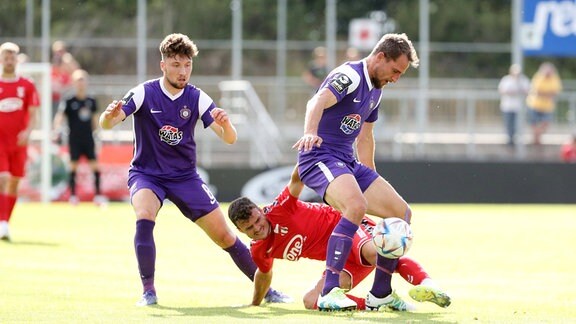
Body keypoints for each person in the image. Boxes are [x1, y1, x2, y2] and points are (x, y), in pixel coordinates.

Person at [98, 33, 290, 306]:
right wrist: (108, 116)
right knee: (144, 214)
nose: (183, 71)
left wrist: (227, 124)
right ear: (163, 65)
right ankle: (148, 292)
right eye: (176, 65)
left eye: (187, 65)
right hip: (147, 174)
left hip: (185, 177)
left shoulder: (197, 97)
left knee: (225, 236)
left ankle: (268, 292)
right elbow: (108, 124)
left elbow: (230, 138)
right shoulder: (144, 92)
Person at [292, 33, 420, 311]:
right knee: (355, 206)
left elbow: (365, 137)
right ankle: (329, 292)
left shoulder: (377, 89)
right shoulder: (350, 76)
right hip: (319, 157)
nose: (396, 78)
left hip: (347, 162)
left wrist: (371, 178)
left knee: (401, 214)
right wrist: (310, 133)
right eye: (396, 70)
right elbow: (316, 102)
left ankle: (381, 293)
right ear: (380, 57)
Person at [228, 167, 451, 311]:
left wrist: (309, 150)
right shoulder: (259, 249)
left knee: (375, 253)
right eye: (250, 228)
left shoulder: (279, 208)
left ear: (260, 209)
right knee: (311, 301)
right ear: (241, 230)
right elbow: (263, 273)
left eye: (258, 219)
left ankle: (428, 285)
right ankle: (378, 306)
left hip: (348, 228)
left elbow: (296, 179)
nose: (258, 227)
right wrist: (255, 303)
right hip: (339, 264)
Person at [0, 42, 40, 241]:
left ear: (17, 59)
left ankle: (5, 222)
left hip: (19, 143)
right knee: (3, 178)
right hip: (0, 142)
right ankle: (2, 223)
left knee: (14, 183)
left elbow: (33, 114)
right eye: (6, 57)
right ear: (1, 60)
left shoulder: (27, 85)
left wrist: (28, 132)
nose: (9, 61)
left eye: (12, 57)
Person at [52, 69, 106, 205]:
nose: (80, 83)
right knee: (73, 167)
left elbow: (95, 120)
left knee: (95, 167)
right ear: (74, 83)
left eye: (82, 80)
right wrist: (56, 130)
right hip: (74, 139)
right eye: (78, 80)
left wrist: (98, 136)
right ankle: (73, 197)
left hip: (88, 139)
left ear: (86, 82)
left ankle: (98, 196)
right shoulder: (69, 101)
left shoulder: (91, 100)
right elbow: (60, 117)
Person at [526, 62, 562, 145]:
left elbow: (556, 92)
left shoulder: (554, 78)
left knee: (545, 124)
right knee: (534, 125)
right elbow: (537, 91)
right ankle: (536, 142)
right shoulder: (539, 77)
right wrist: (548, 94)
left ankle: (537, 139)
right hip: (534, 105)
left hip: (547, 106)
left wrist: (545, 94)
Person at [498, 64, 530, 147]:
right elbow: (502, 90)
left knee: (518, 124)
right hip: (508, 106)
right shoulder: (506, 80)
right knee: (509, 124)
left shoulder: (524, 80)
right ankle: (510, 140)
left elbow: (527, 90)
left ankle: (517, 139)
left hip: (519, 107)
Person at [51, 40, 79, 117]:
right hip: (55, 97)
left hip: (67, 94)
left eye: (60, 51)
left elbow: (76, 72)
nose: (58, 54)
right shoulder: (55, 63)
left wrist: (68, 61)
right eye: (56, 51)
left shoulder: (67, 61)